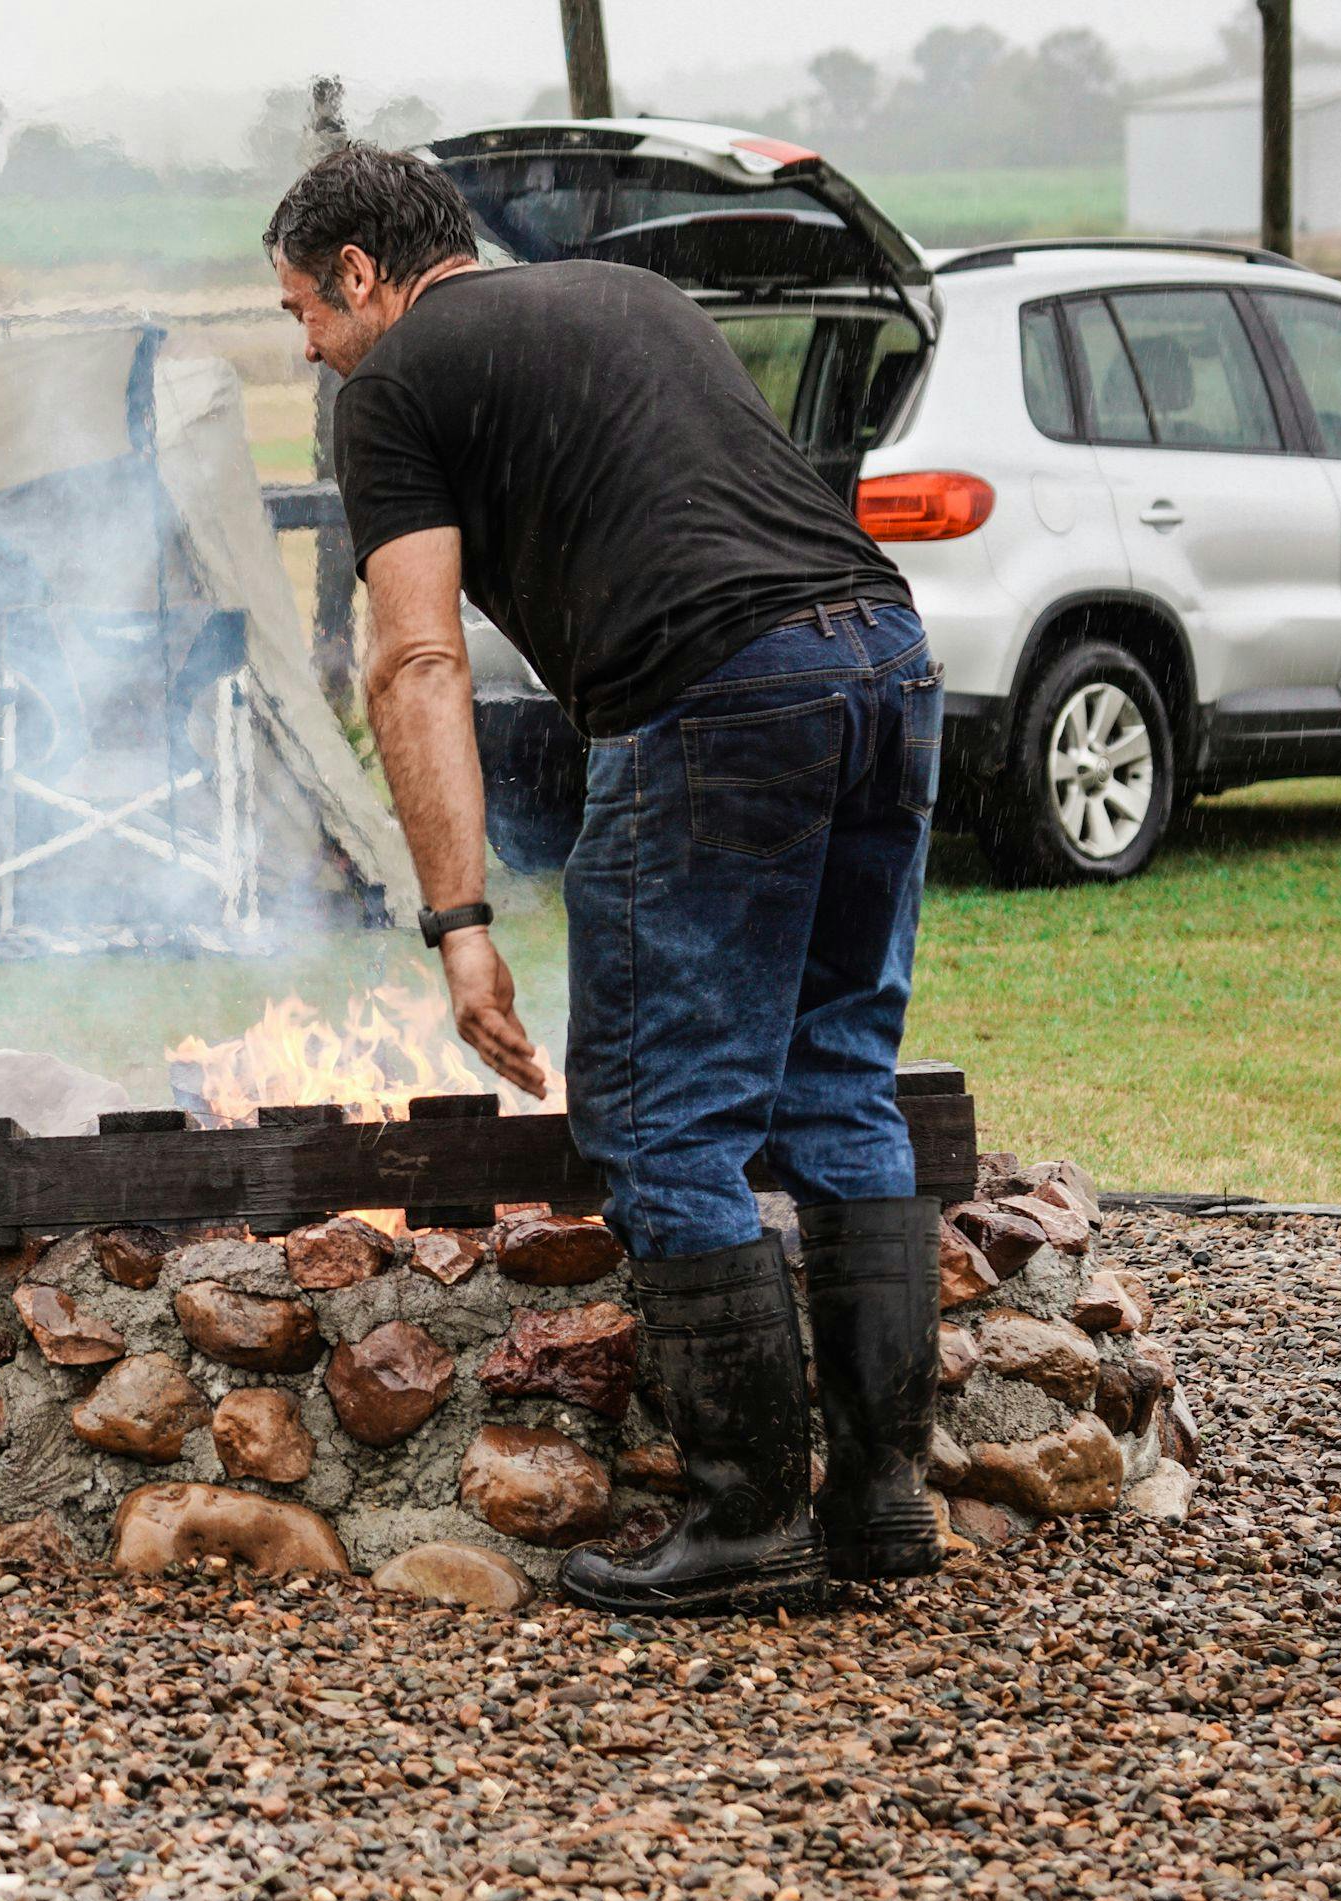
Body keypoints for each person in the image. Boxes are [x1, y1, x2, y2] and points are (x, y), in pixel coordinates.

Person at [266, 146, 946, 1616]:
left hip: (716, 696)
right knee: (837, 1082)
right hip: (886, 662)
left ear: (362, 275)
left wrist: (459, 925)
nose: (306, 346)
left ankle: (749, 1520)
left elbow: (415, 658)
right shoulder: (635, 296)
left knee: (656, 1116)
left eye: (302, 310)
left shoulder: (390, 386)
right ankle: (884, 1501)